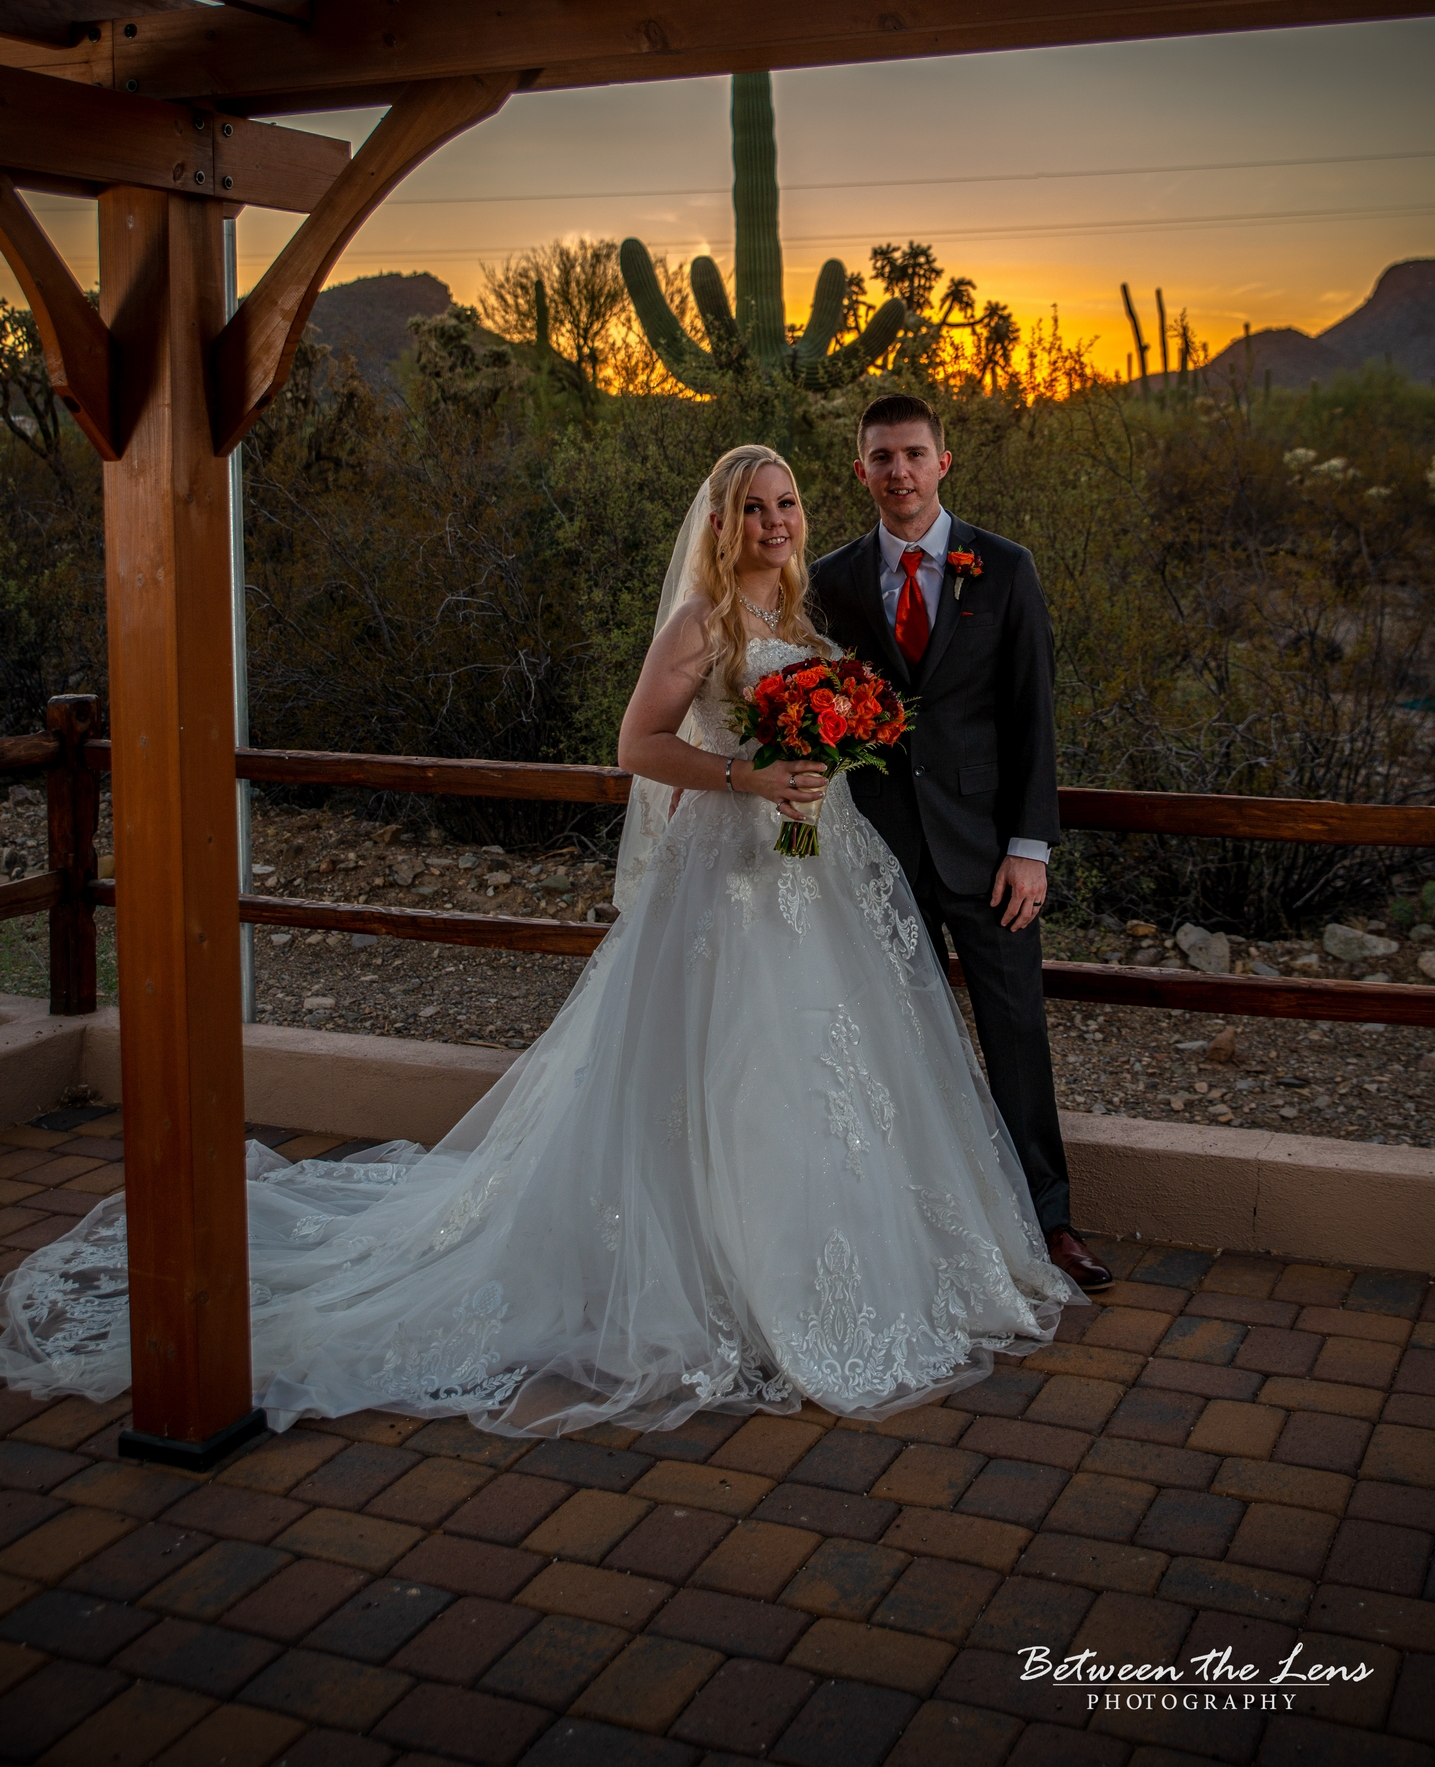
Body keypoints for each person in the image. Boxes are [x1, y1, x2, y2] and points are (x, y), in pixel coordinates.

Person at [0, 445, 1075, 1435]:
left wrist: (823, 760)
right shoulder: (699, 625)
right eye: (753, 508)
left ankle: (838, 1262)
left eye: (787, 502)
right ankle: (731, 1277)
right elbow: (636, 742)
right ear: (720, 523)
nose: (774, 521)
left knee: (831, 1068)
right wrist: (748, 775)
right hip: (728, 875)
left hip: (811, 867)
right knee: (733, 1065)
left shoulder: (806, 610)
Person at [810, 394, 1112, 1292]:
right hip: (878, 851)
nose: (897, 471)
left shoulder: (1005, 568)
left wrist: (1031, 846)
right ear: (857, 471)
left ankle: (1049, 1224)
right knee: (891, 1037)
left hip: (988, 855)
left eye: (912, 453)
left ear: (945, 461)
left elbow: (1031, 713)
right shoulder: (830, 580)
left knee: (1015, 1031)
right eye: (880, 457)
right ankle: (916, 1224)